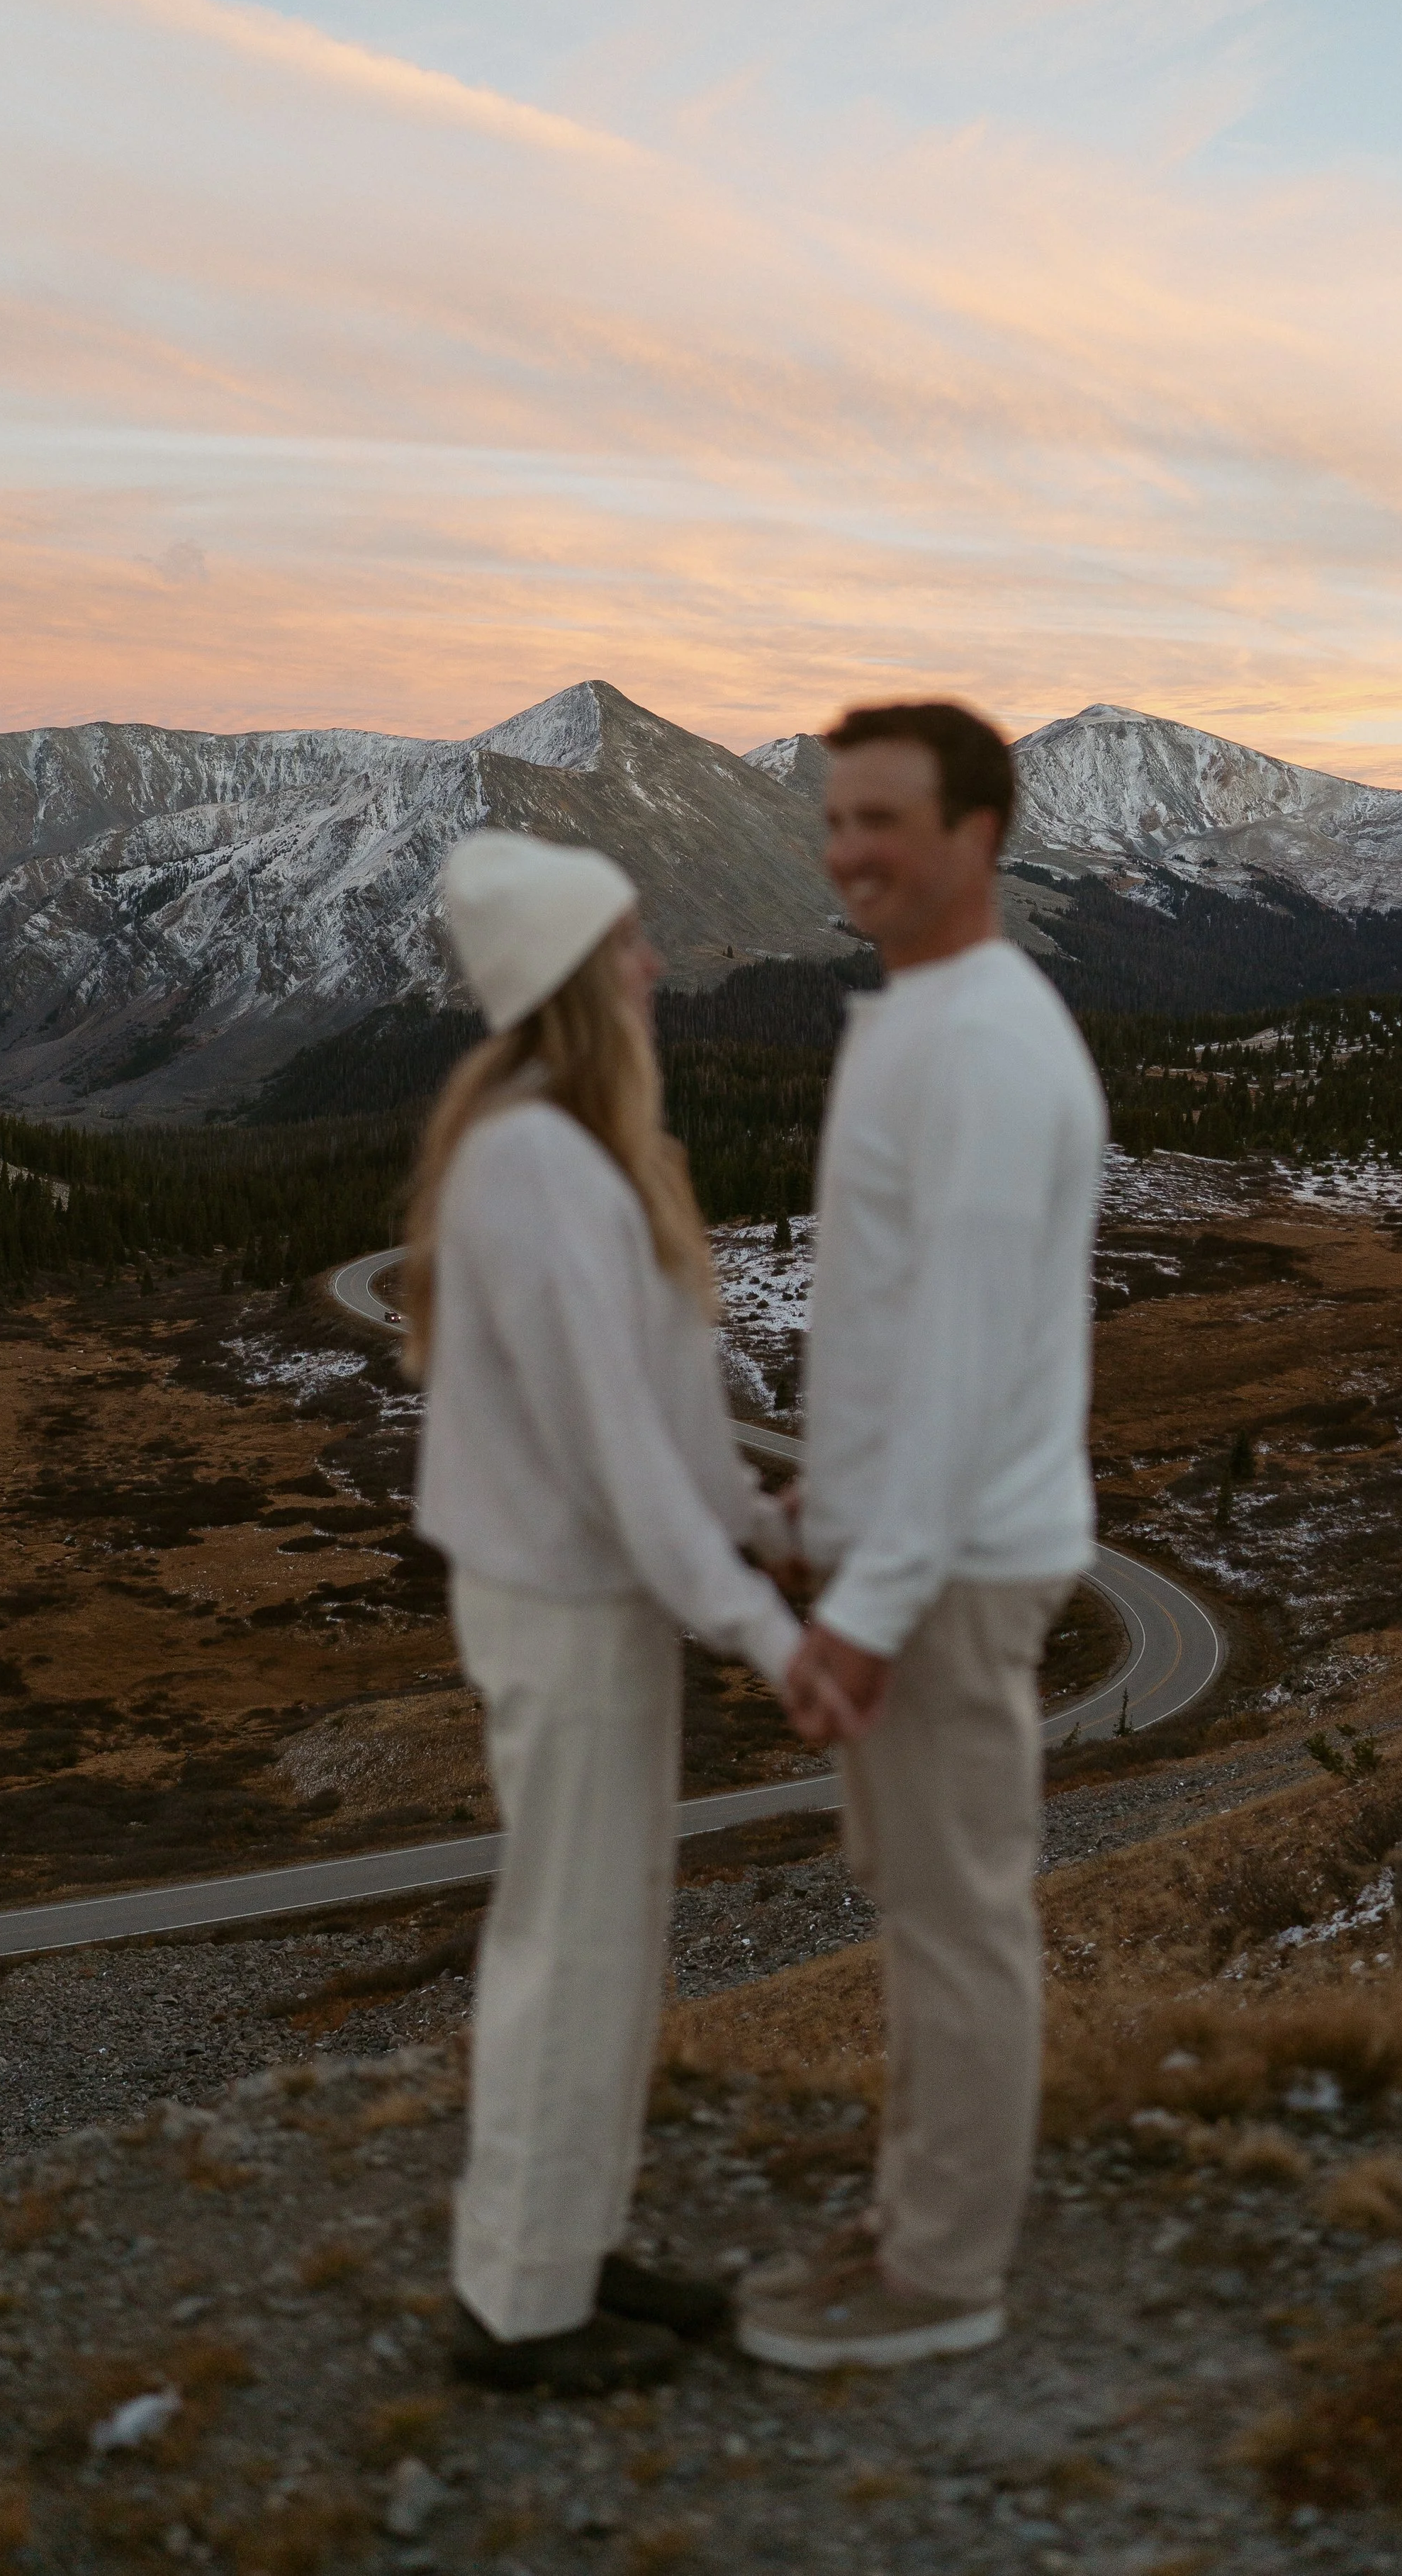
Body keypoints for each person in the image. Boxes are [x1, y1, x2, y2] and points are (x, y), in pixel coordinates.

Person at [403, 829, 803, 2396]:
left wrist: (755, 1525)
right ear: (574, 978)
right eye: (628, 945)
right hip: (567, 1611)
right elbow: (611, 1447)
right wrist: (758, 1627)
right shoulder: (535, 1166)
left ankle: (561, 2246)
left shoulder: (560, 1146)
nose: (654, 967)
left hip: (595, 1603)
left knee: (604, 1943)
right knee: (567, 1944)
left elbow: (662, 1407)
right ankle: (516, 2307)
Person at [739, 702, 1107, 2373]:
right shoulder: (924, 1013)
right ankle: (914, 2215)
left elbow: (961, 1359)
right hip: (910, 1537)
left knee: (957, 1915)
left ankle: (941, 2278)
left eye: (883, 819)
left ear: (979, 836)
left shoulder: (979, 1044)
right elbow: (889, 1317)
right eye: (836, 819)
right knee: (919, 1899)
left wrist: (870, 1602)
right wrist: (828, 1489)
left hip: (953, 1563)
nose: (848, 852)